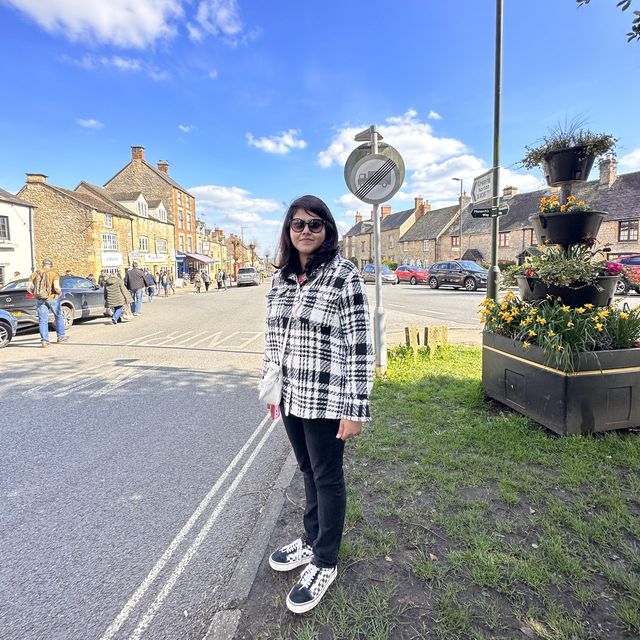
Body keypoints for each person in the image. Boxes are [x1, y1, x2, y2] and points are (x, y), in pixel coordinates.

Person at [262, 195, 373, 614]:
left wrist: (355, 408)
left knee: (327, 477)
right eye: (297, 224)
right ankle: (310, 539)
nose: (305, 231)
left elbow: (360, 347)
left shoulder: (344, 276)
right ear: (288, 232)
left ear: (327, 229)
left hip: (328, 397)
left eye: (314, 224)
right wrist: (270, 389)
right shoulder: (280, 279)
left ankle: (325, 559)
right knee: (306, 469)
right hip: (290, 394)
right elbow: (272, 340)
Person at [28, 258, 69, 347]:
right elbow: (57, 287)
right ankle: (60, 337)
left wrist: (35, 295)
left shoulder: (34, 274)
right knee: (58, 316)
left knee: (42, 320)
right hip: (52, 298)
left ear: (42, 264)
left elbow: (28, 288)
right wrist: (60, 293)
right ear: (50, 265)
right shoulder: (54, 274)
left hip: (40, 299)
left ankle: (45, 341)